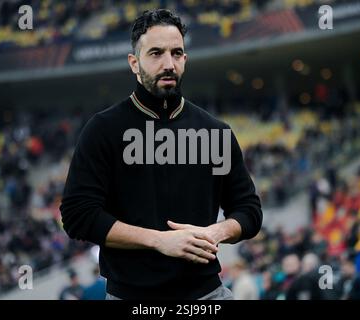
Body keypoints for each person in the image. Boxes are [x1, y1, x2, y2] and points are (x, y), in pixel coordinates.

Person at [60, 9, 263, 300]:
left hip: (205, 294)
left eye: (176, 53)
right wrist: (160, 241)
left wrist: (214, 233)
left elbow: (249, 211)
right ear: (134, 62)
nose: (168, 63)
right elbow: (78, 215)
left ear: (185, 60)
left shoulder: (215, 131)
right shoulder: (103, 129)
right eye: (156, 53)